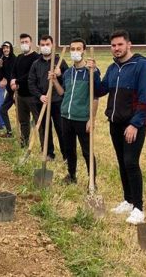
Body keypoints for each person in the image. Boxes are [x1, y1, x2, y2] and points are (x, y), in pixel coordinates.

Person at [93, 30, 146, 225]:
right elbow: (100, 90)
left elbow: (145, 98)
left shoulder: (141, 66)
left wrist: (135, 124)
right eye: (113, 45)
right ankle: (128, 200)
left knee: (131, 163)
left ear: (129, 45)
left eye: (120, 44)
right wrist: (93, 73)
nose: (116, 48)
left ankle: (139, 208)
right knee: (122, 162)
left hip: (133, 124)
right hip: (115, 123)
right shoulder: (112, 68)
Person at [51, 38, 100, 184]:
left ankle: (92, 182)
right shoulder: (67, 73)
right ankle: (71, 176)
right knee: (69, 149)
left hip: (82, 118)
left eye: (78, 49)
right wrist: (54, 81)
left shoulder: (91, 72)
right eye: (72, 49)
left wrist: (92, 119)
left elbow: (96, 97)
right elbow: (62, 93)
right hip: (66, 116)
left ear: (84, 51)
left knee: (87, 152)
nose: (75, 52)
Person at [28, 35, 68, 161]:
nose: (45, 47)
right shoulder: (35, 64)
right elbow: (31, 82)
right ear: (39, 46)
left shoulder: (60, 62)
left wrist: (60, 75)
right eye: (43, 45)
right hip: (42, 101)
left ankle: (66, 155)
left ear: (52, 45)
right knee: (45, 130)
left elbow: (67, 82)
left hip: (57, 101)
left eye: (47, 44)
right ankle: (48, 153)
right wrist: (40, 96)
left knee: (61, 129)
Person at [10, 33, 40, 148]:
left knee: (38, 122)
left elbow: (30, 75)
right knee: (23, 121)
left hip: (32, 95)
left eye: (26, 42)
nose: (24, 44)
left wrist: (17, 81)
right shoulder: (19, 58)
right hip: (20, 95)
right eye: (22, 42)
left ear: (30, 43)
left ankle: (44, 146)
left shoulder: (36, 58)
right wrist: (13, 80)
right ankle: (24, 142)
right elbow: (14, 71)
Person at [0, 41, 17, 138]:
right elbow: (3, 75)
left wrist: (15, 91)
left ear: (11, 49)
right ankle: (9, 132)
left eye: (7, 48)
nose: (6, 50)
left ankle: (27, 130)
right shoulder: (3, 60)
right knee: (3, 110)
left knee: (22, 112)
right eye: (4, 48)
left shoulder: (15, 59)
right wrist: (0, 66)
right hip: (9, 91)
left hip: (16, 90)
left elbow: (15, 75)